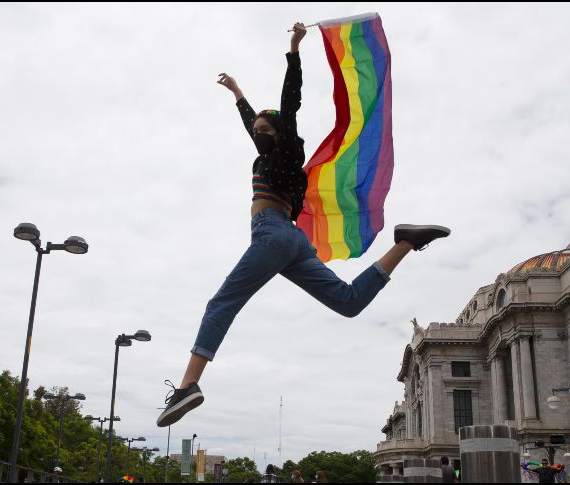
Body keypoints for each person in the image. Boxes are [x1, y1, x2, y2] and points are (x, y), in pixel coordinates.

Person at [156, 22, 450, 427]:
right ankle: (404, 243)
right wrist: (239, 94)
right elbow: (252, 123)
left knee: (221, 303)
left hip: (274, 236)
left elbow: (288, 102)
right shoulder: (271, 155)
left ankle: (189, 385)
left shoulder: (286, 152)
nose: (257, 134)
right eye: (255, 131)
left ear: (279, 134)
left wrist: (294, 49)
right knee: (347, 302)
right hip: (291, 242)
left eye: (264, 130)